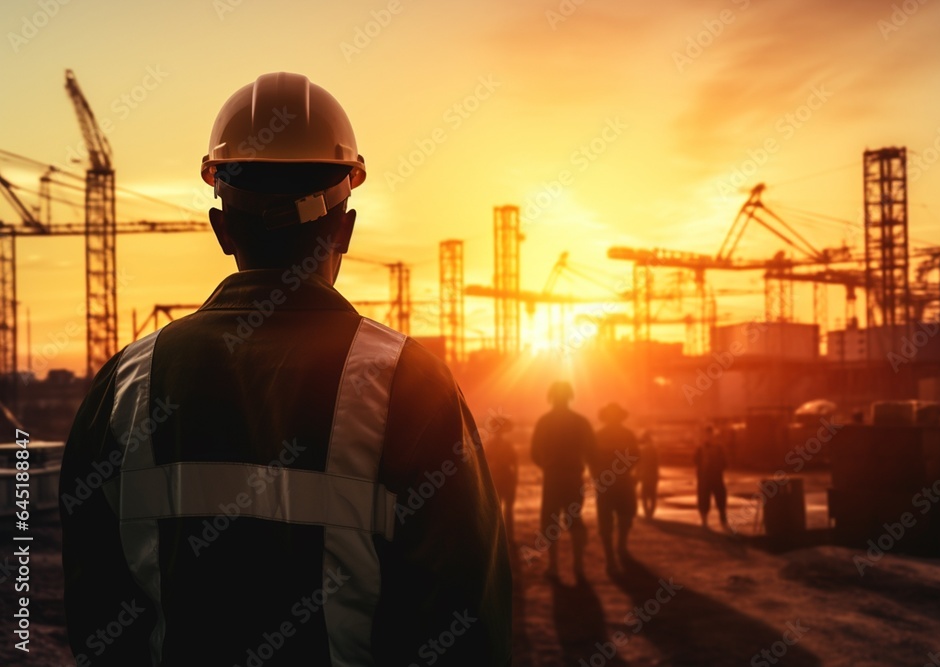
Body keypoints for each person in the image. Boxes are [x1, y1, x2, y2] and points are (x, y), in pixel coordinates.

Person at [59, 72, 512, 667]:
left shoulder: (124, 387)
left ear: (222, 229)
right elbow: (467, 621)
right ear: (344, 230)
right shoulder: (410, 383)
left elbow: (96, 615)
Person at [529, 381, 595, 584]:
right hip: (574, 476)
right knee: (574, 520)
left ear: (551, 397)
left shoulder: (544, 422)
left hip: (553, 477)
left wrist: (548, 466)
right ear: (569, 396)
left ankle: (554, 566)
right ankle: (579, 567)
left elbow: (533, 453)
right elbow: (592, 451)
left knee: (550, 522)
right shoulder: (581, 422)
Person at [592, 402, 640, 575]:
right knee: (625, 517)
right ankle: (620, 549)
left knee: (607, 521)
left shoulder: (598, 435)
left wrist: (599, 476)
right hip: (622, 482)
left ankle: (612, 557)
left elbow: (591, 460)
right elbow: (635, 457)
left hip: (605, 483)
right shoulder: (627, 434)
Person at [485, 418, 518, 545]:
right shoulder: (502, 446)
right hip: (502, 479)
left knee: (503, 509)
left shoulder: (494, 446)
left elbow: (514, 464)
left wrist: (515, 479)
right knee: (502, 509)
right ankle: (505, 537)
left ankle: (504, 537)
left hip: (502, 479)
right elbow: (515, 464)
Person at [694, 424, 729, 531]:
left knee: (720, 498)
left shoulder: (718, 448)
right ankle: (705, 520)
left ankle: (722, 519)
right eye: (706, 434)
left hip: (715, 477)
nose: (708, 436)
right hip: (705, 478)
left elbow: (725, 463)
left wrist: (717, 468)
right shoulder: (701, 448)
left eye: (709, 434)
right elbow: (695, 461)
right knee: (704, 499)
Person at [638, 430, 660, 519]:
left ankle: (647, 512)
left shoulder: (643, 450)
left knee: (644, 495)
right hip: (653, 475)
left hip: (645, 475)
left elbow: (639, 463)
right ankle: (651, 512)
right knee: (652, 495)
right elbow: (657, 463)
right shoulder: (654, 449)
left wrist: (638, 474)